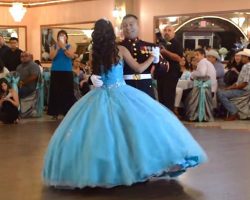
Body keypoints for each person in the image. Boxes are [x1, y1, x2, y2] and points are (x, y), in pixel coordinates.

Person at [42, 19, 207, 189]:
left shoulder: (95, 53)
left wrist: (92, 78)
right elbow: (138, 68)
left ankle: (106, 170)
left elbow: (95, 74)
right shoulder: (120, 50)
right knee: (131, 131)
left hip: (99, 96)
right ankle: (134, 166)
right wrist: (152, 57)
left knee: (101, 135)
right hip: (122, 92)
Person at [91, 14, 167, 99]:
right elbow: (102, 69)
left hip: (145, 87)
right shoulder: (116, 48)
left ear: (138, 25)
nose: (128, 28)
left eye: (131, 24)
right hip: (124, 89)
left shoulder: (151, 46)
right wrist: (91, 78)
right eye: (125, 26)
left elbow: (162, 71)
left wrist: (157, 62)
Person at [47, 30, 76, 119]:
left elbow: (71, 56)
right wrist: (58, 48)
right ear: (57, 38)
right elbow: (51, 57)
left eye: (63, 36)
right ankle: (54, 113)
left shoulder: (70, 46)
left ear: (66, 37)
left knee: (67, 91)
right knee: (55, 91)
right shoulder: (54, 46)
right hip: (56, 71)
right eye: (60, 36)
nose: (62, 37)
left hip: (67, 71)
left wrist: (63, 48)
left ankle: (67, 111)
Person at [217, 48, 250, 121]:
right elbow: (239, 82)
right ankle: (224, 112)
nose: (241, 58)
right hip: (241, 89)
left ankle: (233, 111)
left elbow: (245, 83)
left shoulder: (247, 66)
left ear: (247, 58)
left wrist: (232, 88)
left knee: (221, 94)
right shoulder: (245, 66)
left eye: (243, 56)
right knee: (221, 91)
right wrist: (229, 88)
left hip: (243, 91)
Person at [156, 25, 183, 111]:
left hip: (171, 74)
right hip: (161, 74)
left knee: (168, 98)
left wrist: (165, 52)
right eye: (165, 30)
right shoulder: (160, 43)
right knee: (161, 97)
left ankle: (169, 118)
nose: (167, 32)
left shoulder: (176, 43)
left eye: (169, 30)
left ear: (173, 33)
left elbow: (178, 58)